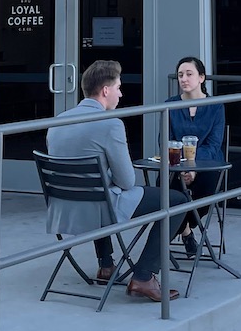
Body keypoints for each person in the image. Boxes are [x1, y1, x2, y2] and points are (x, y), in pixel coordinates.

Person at [45, 59, 184, 302]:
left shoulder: (56, 121)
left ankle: (106, 265)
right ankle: (144, 276)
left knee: (98, 189)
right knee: (178, 201)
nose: (121, 94)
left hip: (63, 209)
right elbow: (127, 181)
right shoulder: (111, 124)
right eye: (119, 88)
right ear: (105, 90)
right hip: (99, 207)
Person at [165, 56, 224, 257]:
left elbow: (214, 144)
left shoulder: (216, 105)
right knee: (165, 187)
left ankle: (179, 226)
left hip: (208, 162)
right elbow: (166, 140)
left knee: (209, 184)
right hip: (176, 164)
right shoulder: (170, 105)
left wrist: (194, 167)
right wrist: (183, 168)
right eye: (180, 75)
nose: (184, 79)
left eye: (189, 74)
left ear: (201, 77)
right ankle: (186, 232)